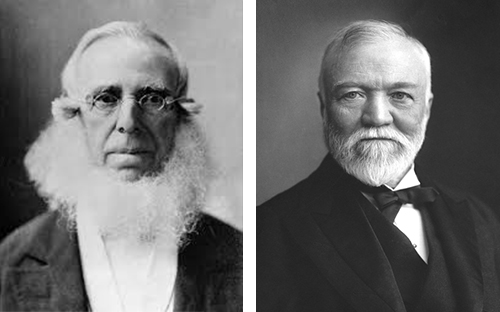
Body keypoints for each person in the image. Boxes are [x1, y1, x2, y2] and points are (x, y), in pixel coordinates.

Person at [257, 20, 500, 312]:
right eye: (353, 95)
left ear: (426, 109)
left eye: (400, 96)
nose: (377, 117)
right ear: (324, 108)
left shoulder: (479, 219)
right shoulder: (268, 230)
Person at [0, 21, 242, 312]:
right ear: (73, 118)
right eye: (105, 99)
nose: (128, 122)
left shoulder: (240, 258)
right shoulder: (11, 262)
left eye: (153, 99)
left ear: (180, 121)